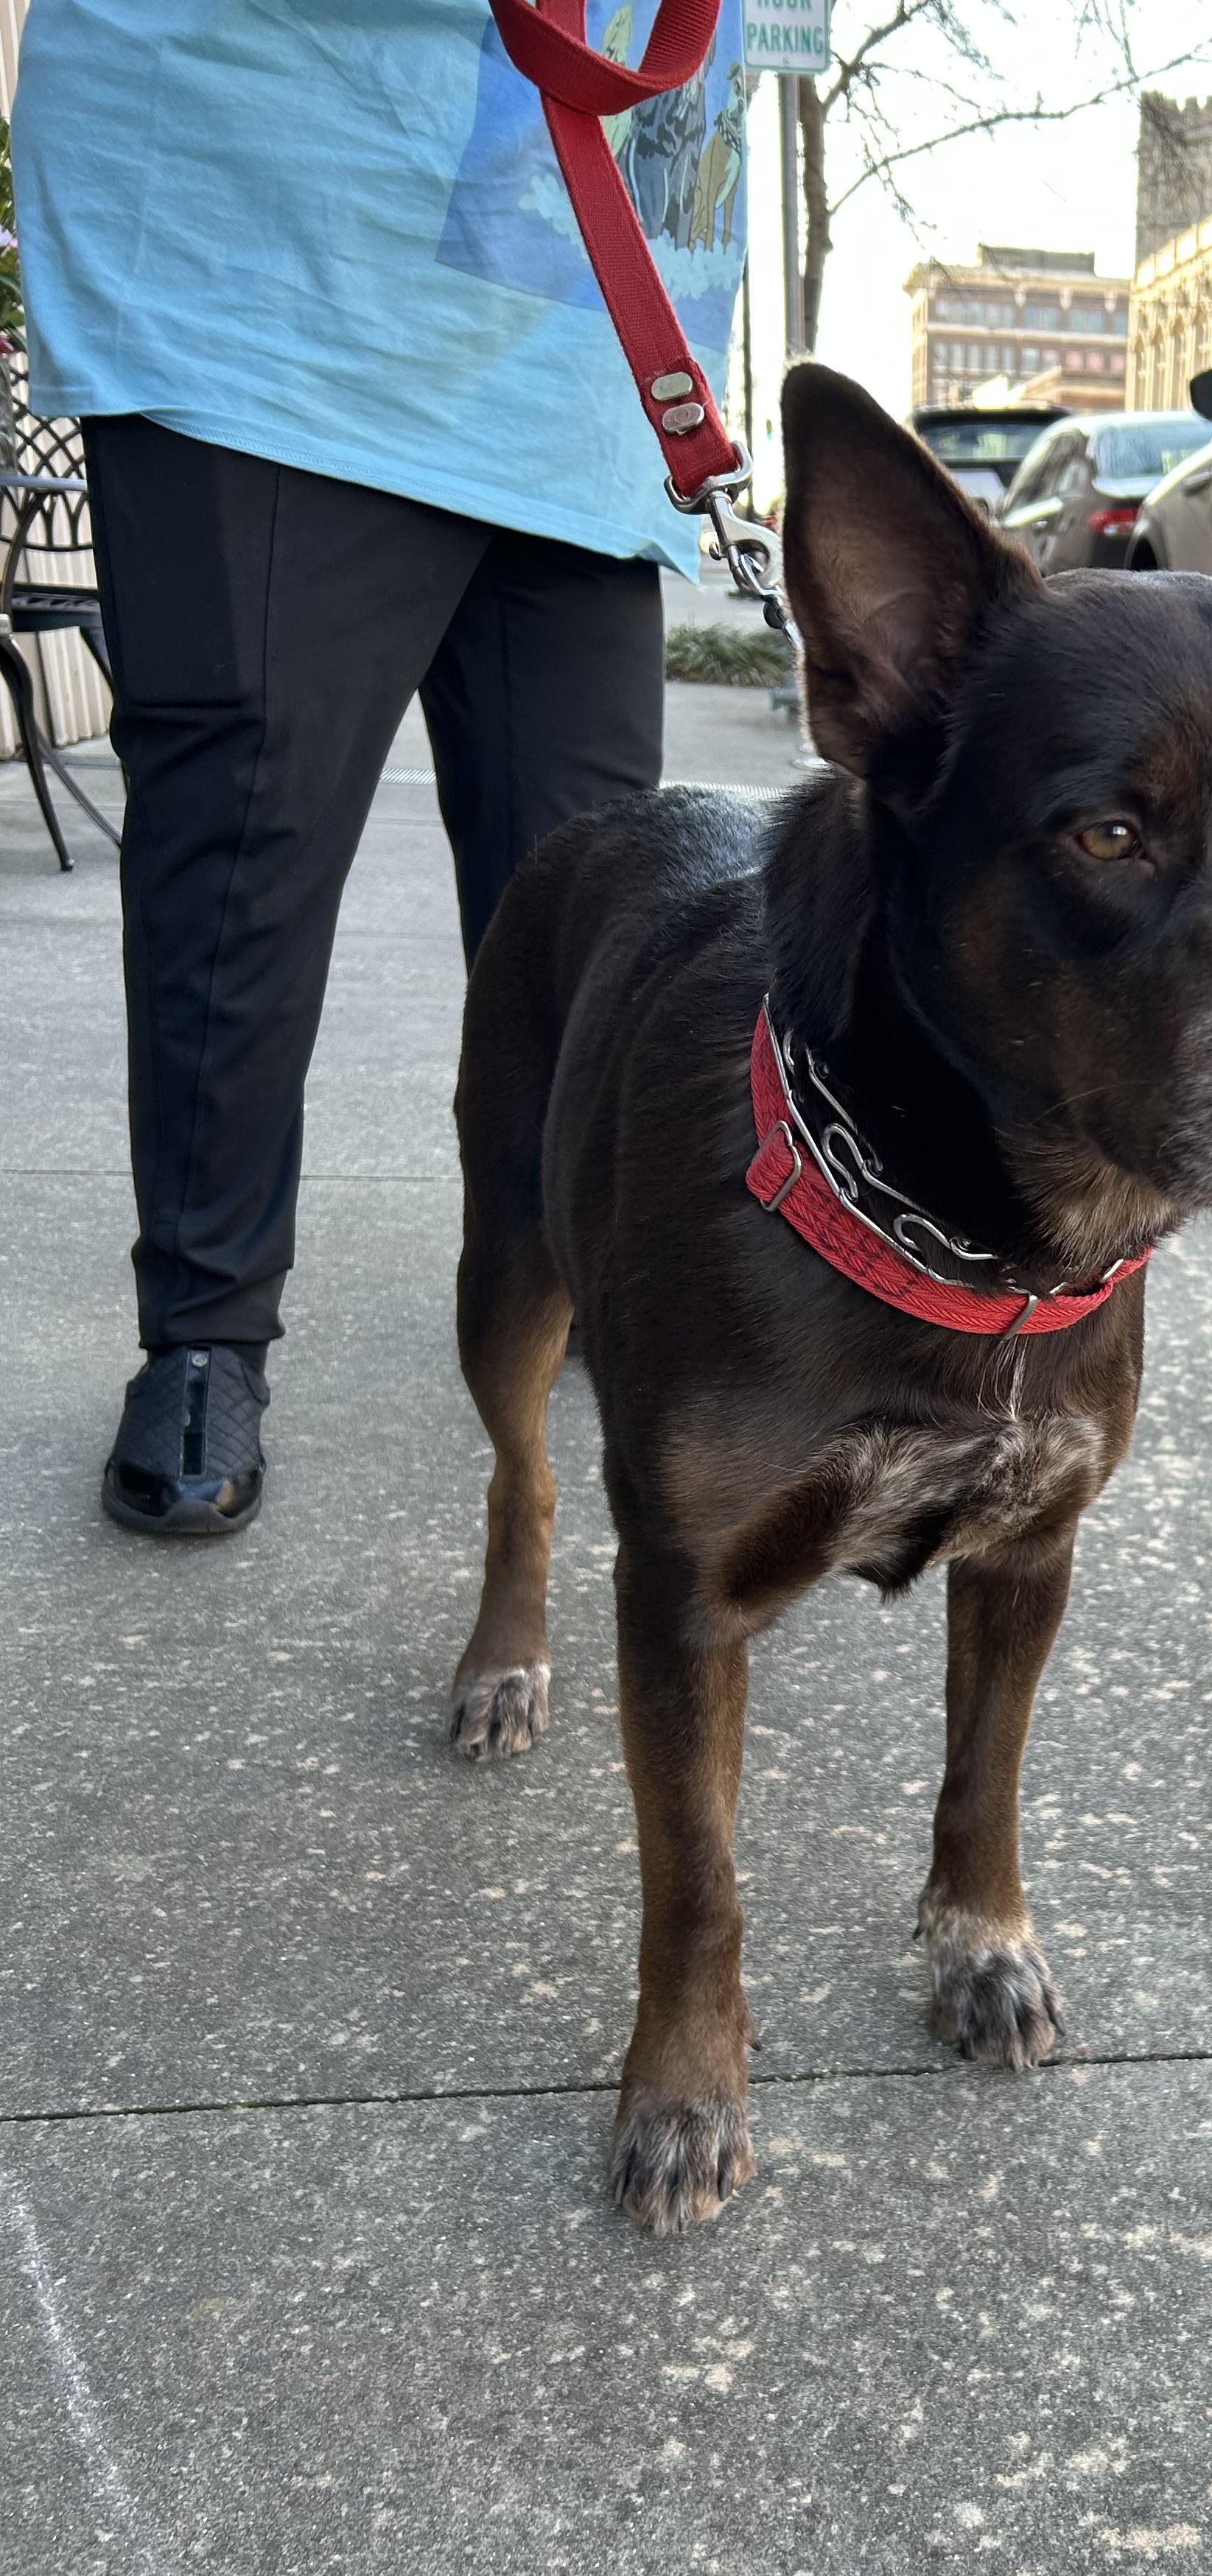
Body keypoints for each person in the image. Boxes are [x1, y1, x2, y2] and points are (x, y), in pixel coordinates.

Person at [12, 0, 748, 1535]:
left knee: (593, 911)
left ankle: (574, 1283)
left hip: (582, 335)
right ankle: (205, 1329)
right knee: (239, 861)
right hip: (274, 255)